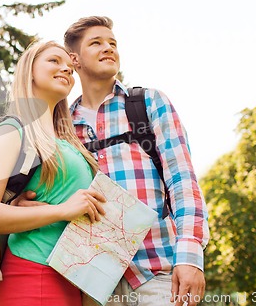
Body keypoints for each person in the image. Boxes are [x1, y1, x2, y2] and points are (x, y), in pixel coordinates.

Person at [61, 16, 210, 306]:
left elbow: (182, 180)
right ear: (74, 60)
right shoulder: (63, 125)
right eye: (96, 43)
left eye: (112, 43)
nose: (108, 48)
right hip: (93, 281)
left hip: (158, 273)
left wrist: (191, 256)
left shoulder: (148, 103)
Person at [0, 40, 106, 306]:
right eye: (54, 61)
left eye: (70, 68)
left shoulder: (66, 141)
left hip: (71, 277)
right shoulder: (12, 131)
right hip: (35, 276)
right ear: (30, 70)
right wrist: (63, 210)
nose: (66, 69)